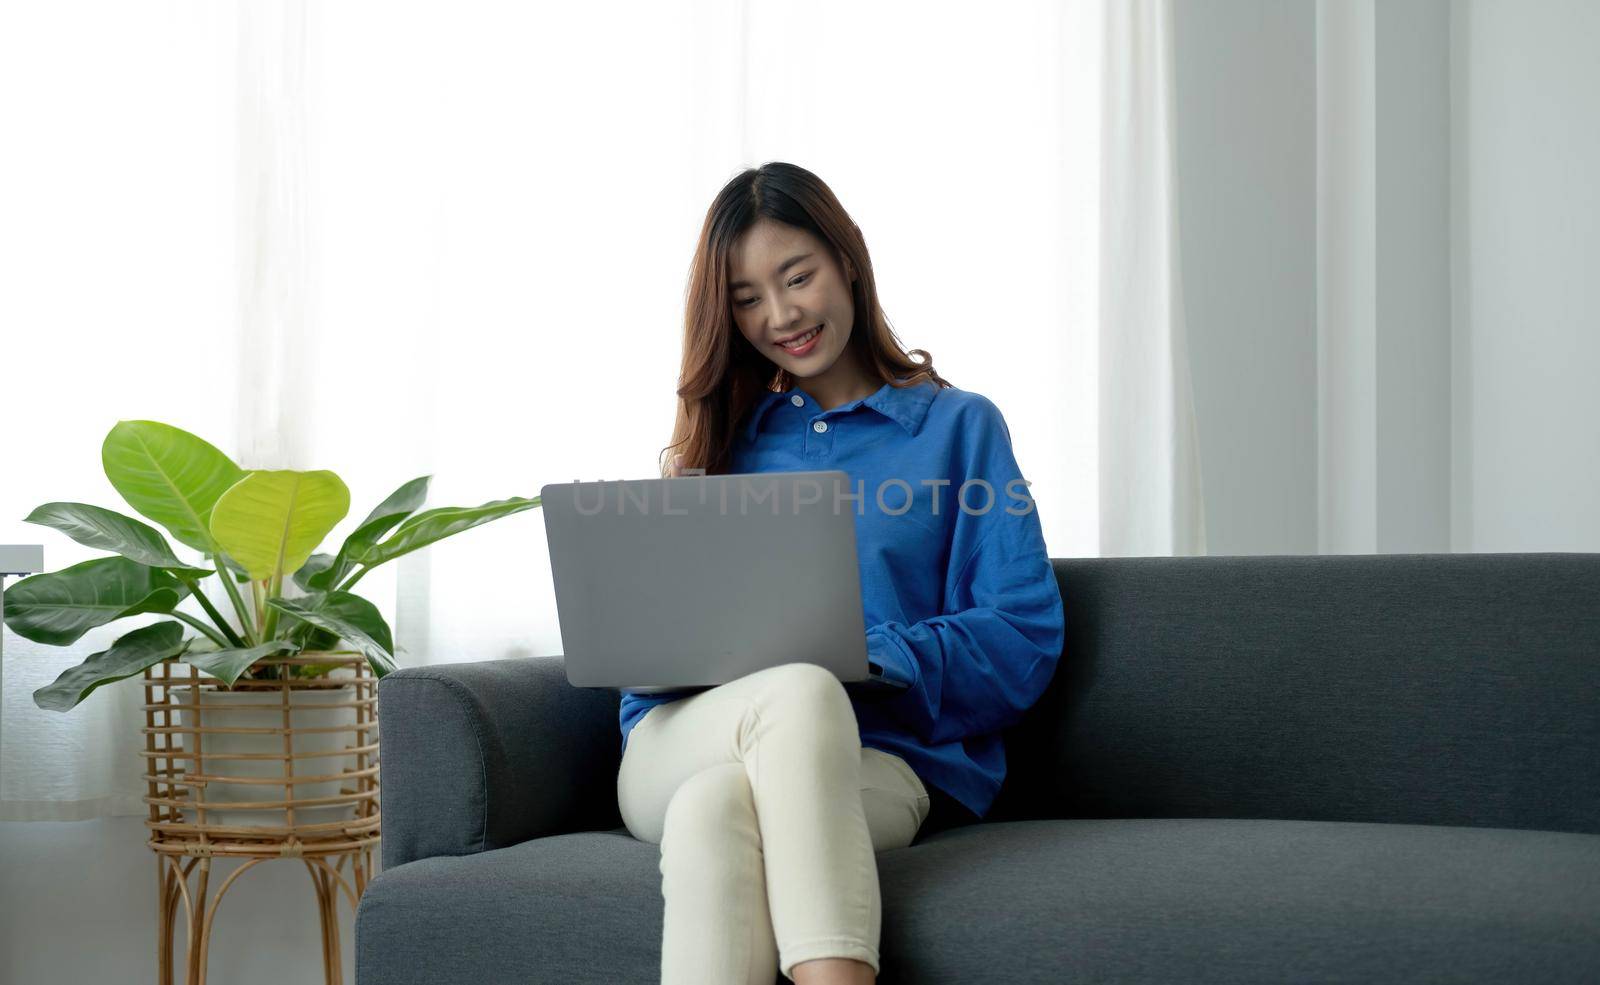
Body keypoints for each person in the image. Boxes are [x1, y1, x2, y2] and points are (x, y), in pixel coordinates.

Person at [615, 161, 1065, 985]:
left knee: (719, 806)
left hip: (879, 758)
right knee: (792, 694)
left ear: (847, 258)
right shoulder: (724, 442)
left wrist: (865, 653)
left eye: (798, 277)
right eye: (747, 297)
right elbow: (656, 652)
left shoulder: (959, 430)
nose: (781, 315)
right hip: (679, 738)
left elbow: (1021, 636)